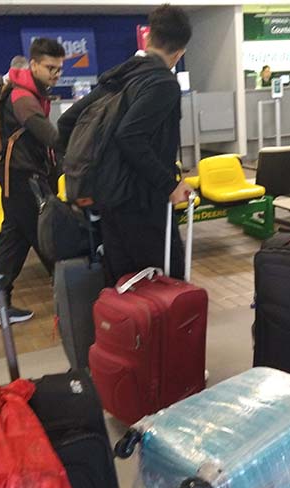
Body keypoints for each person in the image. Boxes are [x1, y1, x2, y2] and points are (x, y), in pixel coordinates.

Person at [56, 4, 193, 282]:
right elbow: (130, 136)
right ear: (179, 53)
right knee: (166, 282)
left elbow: (66, 122)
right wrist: (171, 184)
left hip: (109, 203)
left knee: (123, 283)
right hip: (143, 204)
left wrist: (88, 172)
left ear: (148, 39)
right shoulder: (162, 83)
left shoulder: (119, 77)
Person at [0, 38, 65, 327]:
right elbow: (47, 134)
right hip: (24, 179)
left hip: (18, 177)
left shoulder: (32, 91)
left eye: (59, 69)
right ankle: (71, 301)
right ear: (33, 65)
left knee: (14, 242)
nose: (55, 74)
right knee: (49, 238)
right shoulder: (22, 96)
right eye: (50, 68)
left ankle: (1, 307)